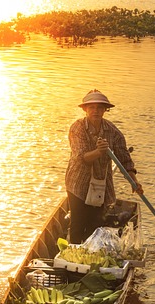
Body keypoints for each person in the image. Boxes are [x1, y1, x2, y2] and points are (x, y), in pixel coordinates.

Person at [65, 89, 143, 244]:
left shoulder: (112, 131)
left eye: (99, 108)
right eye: (92, 107)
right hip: (78, 183)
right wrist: (99, 152)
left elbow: (124, 159)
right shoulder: (77, 128)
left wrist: (134, 182)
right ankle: (73, 259)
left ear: (105, 110)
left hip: (101, 184)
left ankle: (90, 256)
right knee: (78, 224)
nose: (96, 111)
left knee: (96, 226)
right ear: (85, 109)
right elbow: (81, 158)